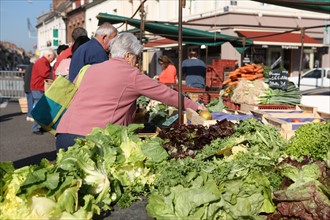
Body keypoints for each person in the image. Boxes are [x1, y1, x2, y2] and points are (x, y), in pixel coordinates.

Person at [55, 32, 206, 150]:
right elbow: (164, 93)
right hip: (93, 139)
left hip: (64, 134)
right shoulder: (130, 73)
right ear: (128, 56)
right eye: (137, 58)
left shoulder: (90, 69)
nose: (137, 62)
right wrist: (194, 106)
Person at [30, 49, 56, 135]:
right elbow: (45, 74)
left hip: (38, 87)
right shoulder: (42, 62)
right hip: (38, 87)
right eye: (53, 58)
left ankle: (38, 127)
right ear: (48, 56)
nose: (52, 60)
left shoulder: (41, 61)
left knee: (40, 108)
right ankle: (36, 128)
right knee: (39, 108)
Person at [23, 56, 37, 122]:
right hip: (30, 87)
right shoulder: (33, 67)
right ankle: (30, 115)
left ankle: (28, 115)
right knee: (31, 102)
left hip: (26, 86)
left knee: (29, 102)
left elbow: (24, 77)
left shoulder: (28, 67)